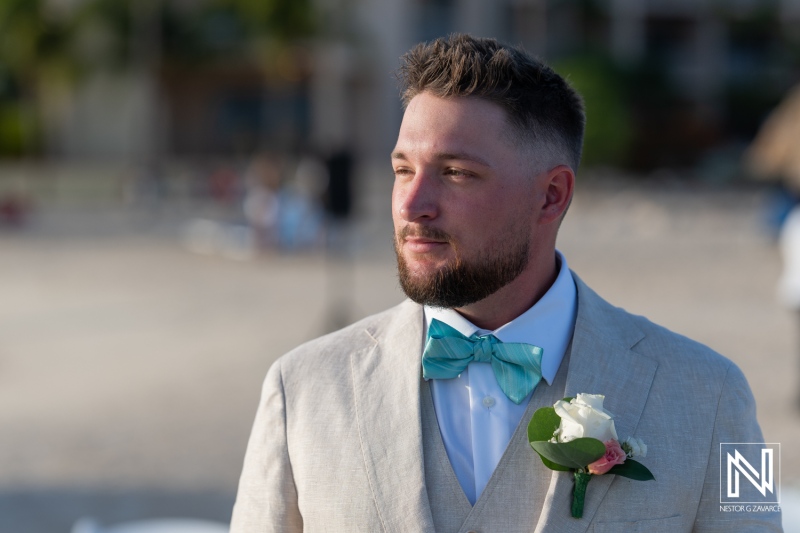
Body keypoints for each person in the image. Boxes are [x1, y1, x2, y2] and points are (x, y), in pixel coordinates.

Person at [230, 34, 781, 532]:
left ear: (551, 195)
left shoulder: (718, 393)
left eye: (456, 173)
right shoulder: (298, 389)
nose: (411, 205)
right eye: (403, 169)